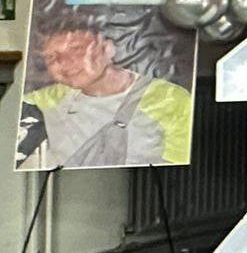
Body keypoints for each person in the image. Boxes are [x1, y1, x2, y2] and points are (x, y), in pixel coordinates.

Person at [17, 10, 192, 169]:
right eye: (51, 57)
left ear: (108, 49)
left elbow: (180, 171)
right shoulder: (48, 99)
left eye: (76, 50)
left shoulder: (169, 99)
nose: (64, 63)